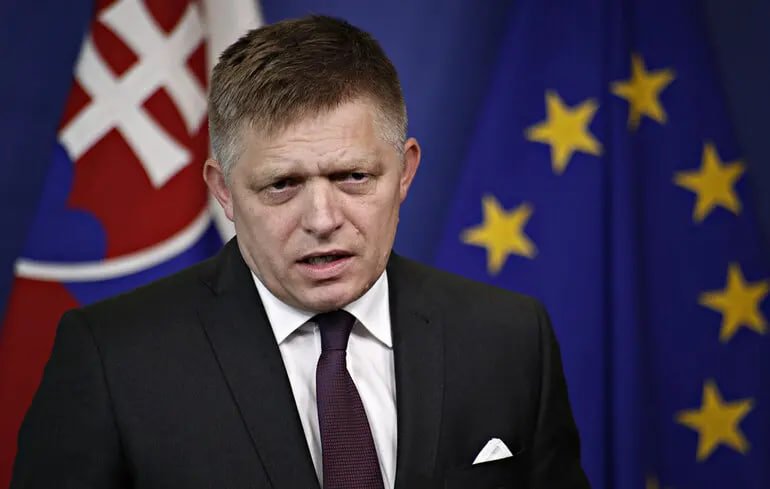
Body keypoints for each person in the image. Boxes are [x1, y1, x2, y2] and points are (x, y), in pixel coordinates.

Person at [11, 15, 590, 489]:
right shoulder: (112, 360)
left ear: (405, 171)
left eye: (353, 177)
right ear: (223, 190)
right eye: (282, 184)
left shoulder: (510, 338)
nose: (321, 219)